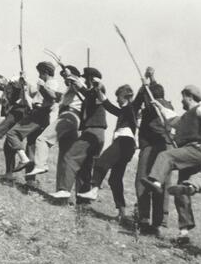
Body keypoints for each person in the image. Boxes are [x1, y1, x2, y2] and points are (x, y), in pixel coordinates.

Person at [139, 85, 201, 245]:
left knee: (166, 156)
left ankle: (156, 182)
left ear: (189, 96)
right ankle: (184, 232)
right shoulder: (185, 117)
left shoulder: (200, 109)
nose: (181, 100)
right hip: (190, 154)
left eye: (182, 97)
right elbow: (173, 119)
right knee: (181, 191)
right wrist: (160, 107)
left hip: (194, 151)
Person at [77, 83, 143, 221]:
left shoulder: (131, 108)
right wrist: (97, 90)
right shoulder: (123, 111)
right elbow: (107, 105)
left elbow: (136, 102)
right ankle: (122, 212)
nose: (117, 100)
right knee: (115, 179)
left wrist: (147, 81)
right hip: (126, 146)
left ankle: (94, 190)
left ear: (126, 97)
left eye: (119, 97)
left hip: (124, 142)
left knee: (101, 162)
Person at [50, 67, 107, 201]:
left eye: (85, 78)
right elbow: (86, 93)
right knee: (85, 167)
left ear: (90, 79)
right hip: (98, 134)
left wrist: (73, 77)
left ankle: (64, 190)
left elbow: (94, 90)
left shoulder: (97, 90)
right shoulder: (90, 95)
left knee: (70, 156)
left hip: (92, 132)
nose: (84, 80)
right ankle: (83, 201)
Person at [134, 71, 177, 234]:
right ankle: (158, 222)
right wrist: (151, 80)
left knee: (144, 181)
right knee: (160, 184)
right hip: (164, 149)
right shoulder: (167, 105)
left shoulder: (155, 105)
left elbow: (147, 101)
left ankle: (145, 218)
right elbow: (155, 93)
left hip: (152, 147)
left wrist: (145, 87)